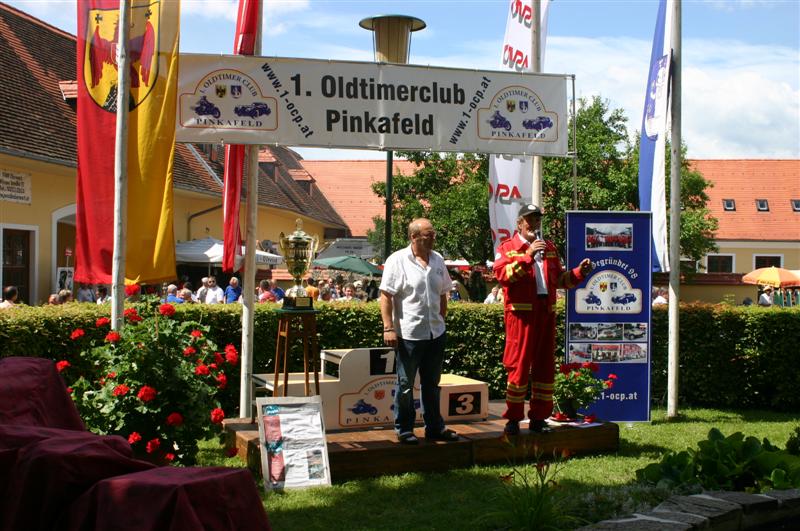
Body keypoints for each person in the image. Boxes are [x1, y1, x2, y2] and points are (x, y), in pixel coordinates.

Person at [493, 204, 593, 435]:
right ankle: (513, 420)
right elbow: (503, 276)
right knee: (518, 368)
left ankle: (539, 418)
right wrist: (527, 257)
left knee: (545, 369)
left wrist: (579, 273)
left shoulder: (549, 248)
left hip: (545, 313)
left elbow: (559, 281)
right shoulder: (508, 248)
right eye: (530, 219)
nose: (534, 224)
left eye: (537, 219)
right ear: (519, 223)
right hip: (521, 316)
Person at [380, 218, 458, 445]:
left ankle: (434, 427)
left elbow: (443, 292)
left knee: (432, 384)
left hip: (435, 333)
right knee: (405, 385)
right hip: (409, 334)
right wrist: (388, 327)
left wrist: (441, 319)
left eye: (433, 234)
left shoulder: (438, 260)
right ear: (414, 237)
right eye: (428, 234)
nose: (433, 238)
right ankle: (404, 429)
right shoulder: (397, 260)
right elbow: (386, 296)